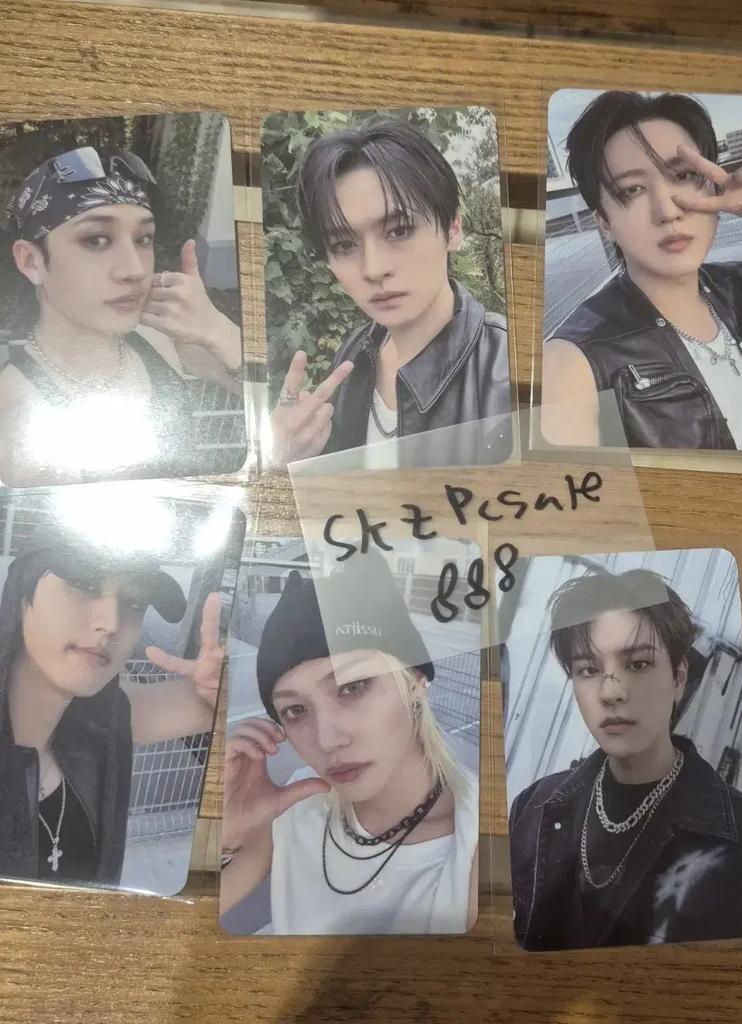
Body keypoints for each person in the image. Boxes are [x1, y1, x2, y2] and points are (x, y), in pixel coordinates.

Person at [219, 551, 478, 935]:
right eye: (295, 711)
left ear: (414, 681)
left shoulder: (478, 843)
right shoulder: (298, 801)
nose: (327, 739)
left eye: (353, 687)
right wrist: (227, 837)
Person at [508, 567, 742, 950]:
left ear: (678, 676)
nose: (611, 693)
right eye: (588, 670)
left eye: (638, 664)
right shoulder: (534, 808)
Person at [268, 117, 511, 470]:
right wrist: (289, 464)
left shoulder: (507, 373)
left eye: (399, 231)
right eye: (344, 244)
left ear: (453, 229)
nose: (373, 268)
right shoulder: (354, 356)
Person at [542, 91, 742, 451]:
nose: (667, 211)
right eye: (632, 189)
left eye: (683, 175)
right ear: (604, 222)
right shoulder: (572, 364)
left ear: (714, 185)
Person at [0, 144, 243, 487]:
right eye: (96, 240)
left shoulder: (161, 341)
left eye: (143, 239)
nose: (135, 270)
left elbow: (268, 402)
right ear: (31, 261)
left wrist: (218, 332)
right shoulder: (15, 409)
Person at [0, 523, 225, 886]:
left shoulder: (101, 720)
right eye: (84, 584)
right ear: (23, 597)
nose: (112, 622)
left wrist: (220, 682)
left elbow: (209, 704)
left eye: (134, 603)